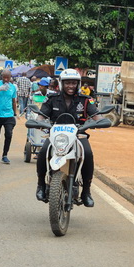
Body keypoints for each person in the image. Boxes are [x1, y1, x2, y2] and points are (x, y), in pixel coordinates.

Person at [35, 69, 100, 207]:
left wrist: (100, 121)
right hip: (56, 136)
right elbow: (41, 116)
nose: (71, 86)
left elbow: (97, 117)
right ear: (61, 83)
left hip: (78, 135)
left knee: (87, 154)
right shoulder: (52, 99)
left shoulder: (86, 100)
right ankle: (41, 184)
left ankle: (86, 191)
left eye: (74, 83)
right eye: (68, 83)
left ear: (78, 84)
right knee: (42, 152)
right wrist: (38, 121)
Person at [0, 69, 17, 163]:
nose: (5, 79)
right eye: (4, 77)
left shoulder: (13, 87)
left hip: (8, 115)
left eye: (7, 78)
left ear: (10, 78)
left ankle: (5, 155)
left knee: (9, 134)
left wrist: (15, 114)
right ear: (1, 76)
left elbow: (13, 101)